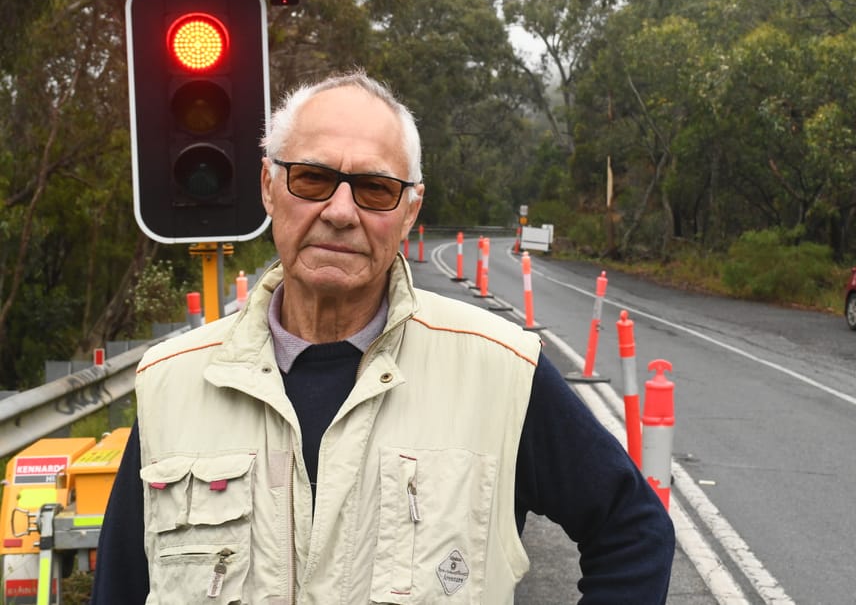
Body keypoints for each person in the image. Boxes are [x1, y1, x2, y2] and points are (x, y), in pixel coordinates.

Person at [91, 69, 674, 604]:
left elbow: (633, 529)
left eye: (374, 189)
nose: (341, 211)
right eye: (313, 178)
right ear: (269, 188)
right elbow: (119, 587)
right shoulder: (173, 382)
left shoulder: (500, 372)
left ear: (410, 210)